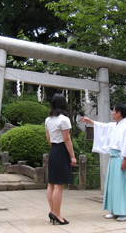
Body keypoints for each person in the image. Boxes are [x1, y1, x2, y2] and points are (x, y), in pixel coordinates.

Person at [80, 103, 126, 221]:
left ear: (119, 113)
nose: (112, 113)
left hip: (121, 158)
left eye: (114, 111)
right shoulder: (114, 126)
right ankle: (113, 210)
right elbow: (103, 126)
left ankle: (124, 211)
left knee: (122, 185)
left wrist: (125, 159)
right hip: (113, 159)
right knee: (112, 186)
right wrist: (90, 121)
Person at [45, 93, 77, 225]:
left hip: (53, 151)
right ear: (63, 104)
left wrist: (55, 148)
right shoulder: (64, 119)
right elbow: (67, 139)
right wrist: (73, 156)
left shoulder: (48, 120)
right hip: (62, 151)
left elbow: (48, 139)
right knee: (59, 185)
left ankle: (52, 211)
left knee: (51, 184)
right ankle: (57, 214)